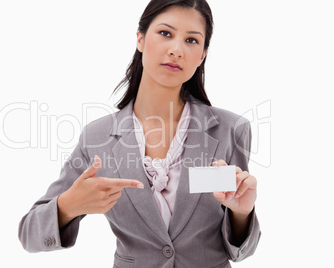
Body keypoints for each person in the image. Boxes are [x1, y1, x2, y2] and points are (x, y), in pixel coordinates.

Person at [18, 0, 261, 267]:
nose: (177, 50)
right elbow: (29, 234)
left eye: (191, 40)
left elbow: (241, 250)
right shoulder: (97, 137)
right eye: (165, 33)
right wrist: (68, 205)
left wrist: (242, 213)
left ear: (202, 54)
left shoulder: (231, 129)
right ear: (140, 39)